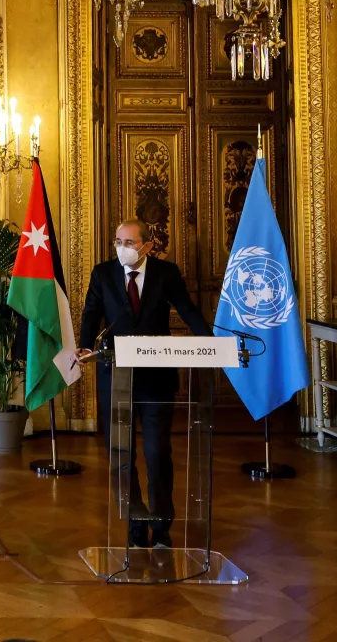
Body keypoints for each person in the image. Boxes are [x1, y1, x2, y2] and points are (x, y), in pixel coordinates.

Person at [76, 219, 211, 549]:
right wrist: (84, 344)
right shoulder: (103, 273)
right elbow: (91, 313)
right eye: (117, 241)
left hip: (155, 379)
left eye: (129, 243)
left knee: (156, 452)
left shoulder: (166, 273)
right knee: (121, 455)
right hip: (116, 378)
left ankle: (161, 527)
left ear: (148, 246)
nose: (122, 248)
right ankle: (134, 525)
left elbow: (188, 310)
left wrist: (210, 342)